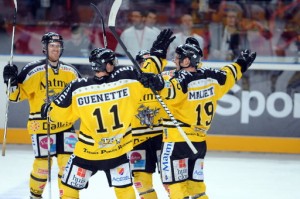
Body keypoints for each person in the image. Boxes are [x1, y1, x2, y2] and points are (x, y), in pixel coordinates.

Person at [40, 46, 165, 199]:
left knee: (68, 189)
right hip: (117, 151)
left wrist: (47, 109)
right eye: (113, 62)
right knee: (125, 191)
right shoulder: (127, 80)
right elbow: (153, 81)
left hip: (87, 152)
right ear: (107, 65)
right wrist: (156, 64)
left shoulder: (77, 87)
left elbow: (58, 116)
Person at [155, 40, 256, 198]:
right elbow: (230, 73)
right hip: (199, 143)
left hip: (177, 142)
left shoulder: (181, 80)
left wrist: (156, 83)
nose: (174, 60)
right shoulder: (214, 77)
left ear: (186, 60)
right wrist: (241, 63)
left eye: (178, 57)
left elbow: (170, 93)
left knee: (175, 186)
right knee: (197, 188)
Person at [2, 32, 81, 199]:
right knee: (42, 166)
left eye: (58, 45)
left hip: (66, 126)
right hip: (41, 127)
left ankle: (68, 196)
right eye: (52, 45)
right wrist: (10, 81)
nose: (55, 49)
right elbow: (14, 97)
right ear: (44, 48)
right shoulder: (33, 70)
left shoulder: (71, 71)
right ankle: (35, 196)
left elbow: (82, 96)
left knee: (68, 165)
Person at [129, 29, 175, 199]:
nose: (144, 65)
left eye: (148, 62)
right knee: (142, 180)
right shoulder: (129, 83)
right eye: (142, 62)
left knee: (169, 178)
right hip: (137, 139)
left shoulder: (165, 80)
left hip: (161, 136)